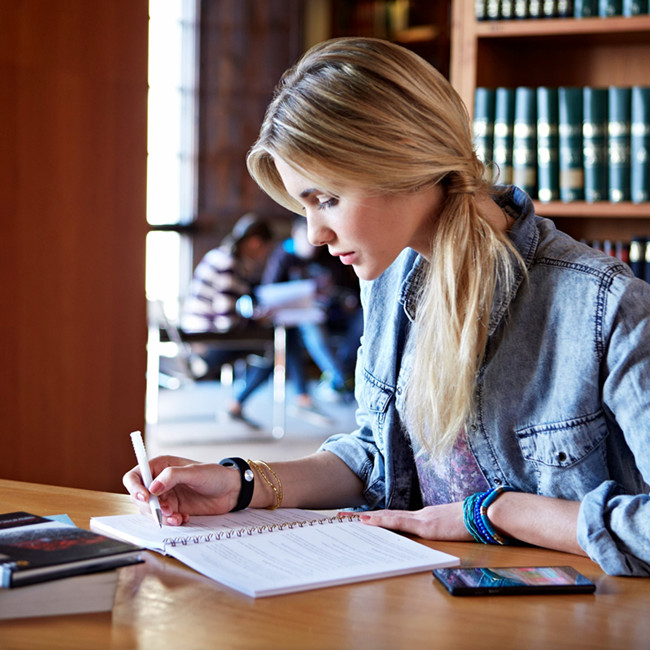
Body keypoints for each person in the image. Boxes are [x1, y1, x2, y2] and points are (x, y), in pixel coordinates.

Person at [125, 37, 650, 577]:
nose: (314, 234)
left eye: (327, 199)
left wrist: (501, 513)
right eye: (304, 205)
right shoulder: (391, 276)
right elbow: (379, 455)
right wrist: (243, 484)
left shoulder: (607, 307)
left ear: (404, 160)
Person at [225, 217, 359, 425]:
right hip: (274, 324)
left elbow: (346, 289)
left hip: (323, 316)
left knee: (290, 339)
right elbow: (267, 295)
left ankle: (311, 393)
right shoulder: (275, 257)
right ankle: (338, 382)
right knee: (290, 338)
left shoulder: (327, 255)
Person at [181, 213, 277, 425]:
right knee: (274, 350)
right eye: (265, 249)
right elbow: (227, 321)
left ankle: (236, 403)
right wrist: (255, 322)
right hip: (204, 343)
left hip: (197, 335)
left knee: (264, 344)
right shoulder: (228, 263)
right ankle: (236, 404)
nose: (264, 255)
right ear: (254, 242)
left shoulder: (222, 256)